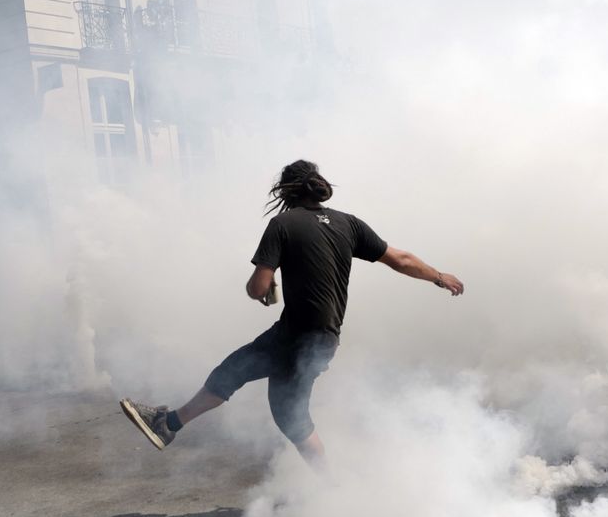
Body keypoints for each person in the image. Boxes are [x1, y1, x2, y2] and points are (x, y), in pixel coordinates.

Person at [121, 160, 464, 465]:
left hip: (296, 335)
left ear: (286, 191)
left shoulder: (282, 224)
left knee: (232, 372)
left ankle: (168, 425)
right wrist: (438, 276)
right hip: (325, 339)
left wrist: (261, 288)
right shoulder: (349, 224)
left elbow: (258, 288)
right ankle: (334, 493)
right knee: (290, 418)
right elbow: (401, 259)